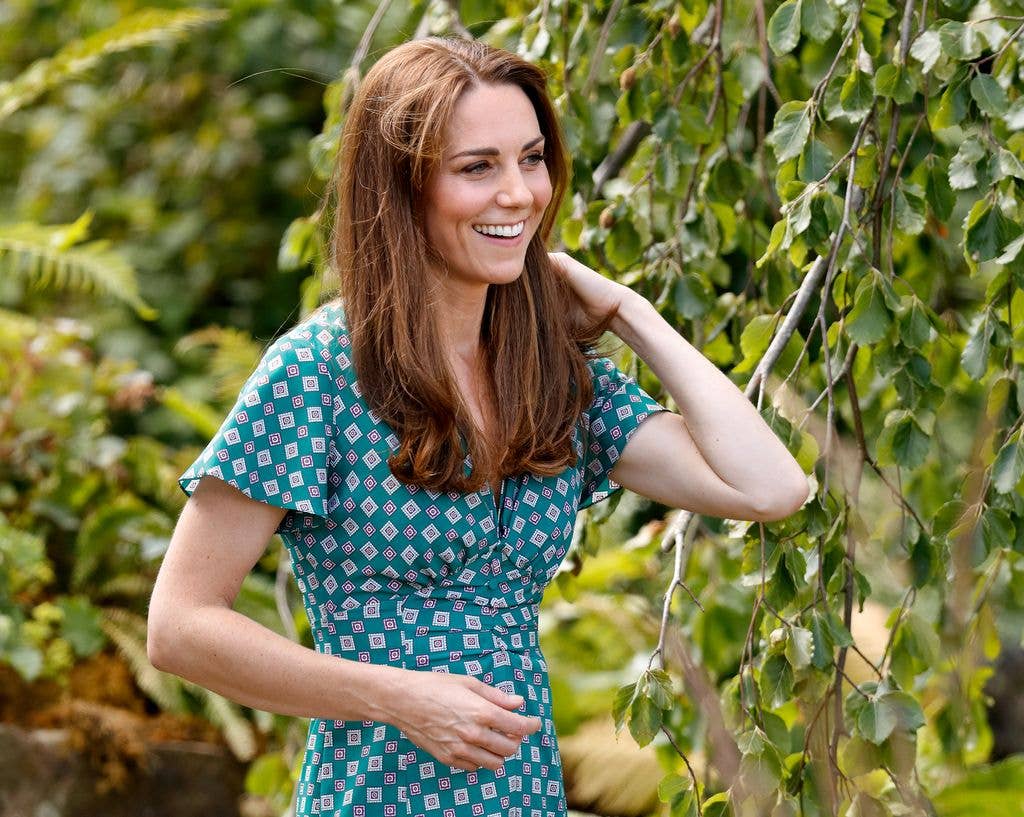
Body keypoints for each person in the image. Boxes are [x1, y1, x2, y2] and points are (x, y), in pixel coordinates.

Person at [147, 36, 808, 817]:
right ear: (403, 188)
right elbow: (180, 625)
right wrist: (398, 697)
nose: (519, 194)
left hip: (523, 797)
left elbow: (770, 487)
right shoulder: (316, 372)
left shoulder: (550, 375)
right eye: (477, 167)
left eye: (532, 159)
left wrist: (633, 314)